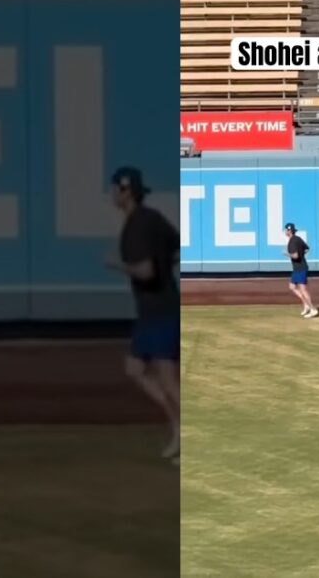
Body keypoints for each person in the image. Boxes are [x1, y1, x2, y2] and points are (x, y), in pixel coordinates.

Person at [106, 166, 180, 464]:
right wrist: (164, 268)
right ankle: (178, 425)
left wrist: (118, 265)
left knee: (167, 381)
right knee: (135, 368)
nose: (112, 194)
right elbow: (177, 250)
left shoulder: (136, 226)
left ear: (125, 192)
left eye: (115, 188)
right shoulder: (152, 217)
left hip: (159, 312)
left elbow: (146, 271)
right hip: (157, 309)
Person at [284, 222, 318, 318]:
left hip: (300, 268)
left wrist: (287, 254)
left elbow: (295, 256)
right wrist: (301, 255)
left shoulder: (292, 242)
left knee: (303, 289)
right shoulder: (298, 239)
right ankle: (306, 305)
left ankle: (313, 309)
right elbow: (307, 249)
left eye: (286, 230)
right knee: (292, 286)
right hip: (298, 268)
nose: (285, 231)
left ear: (289, 231)